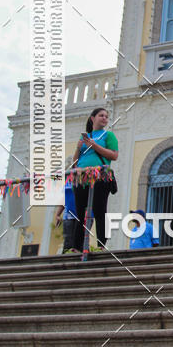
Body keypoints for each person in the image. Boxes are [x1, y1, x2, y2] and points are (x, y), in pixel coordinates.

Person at [71, 107, 118, 251]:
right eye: (101, 115)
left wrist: (94, 145)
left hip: (100, 176)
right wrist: (79, 148)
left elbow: (114, 155)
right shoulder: (84, 137)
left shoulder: (108, 135)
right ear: (93, 118)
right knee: (80, 212)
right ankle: (77, 247)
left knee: (100, 211)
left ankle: (101, 245)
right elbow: (74, 163)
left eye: (106, 116)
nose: (104, 118)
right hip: (82, 177)